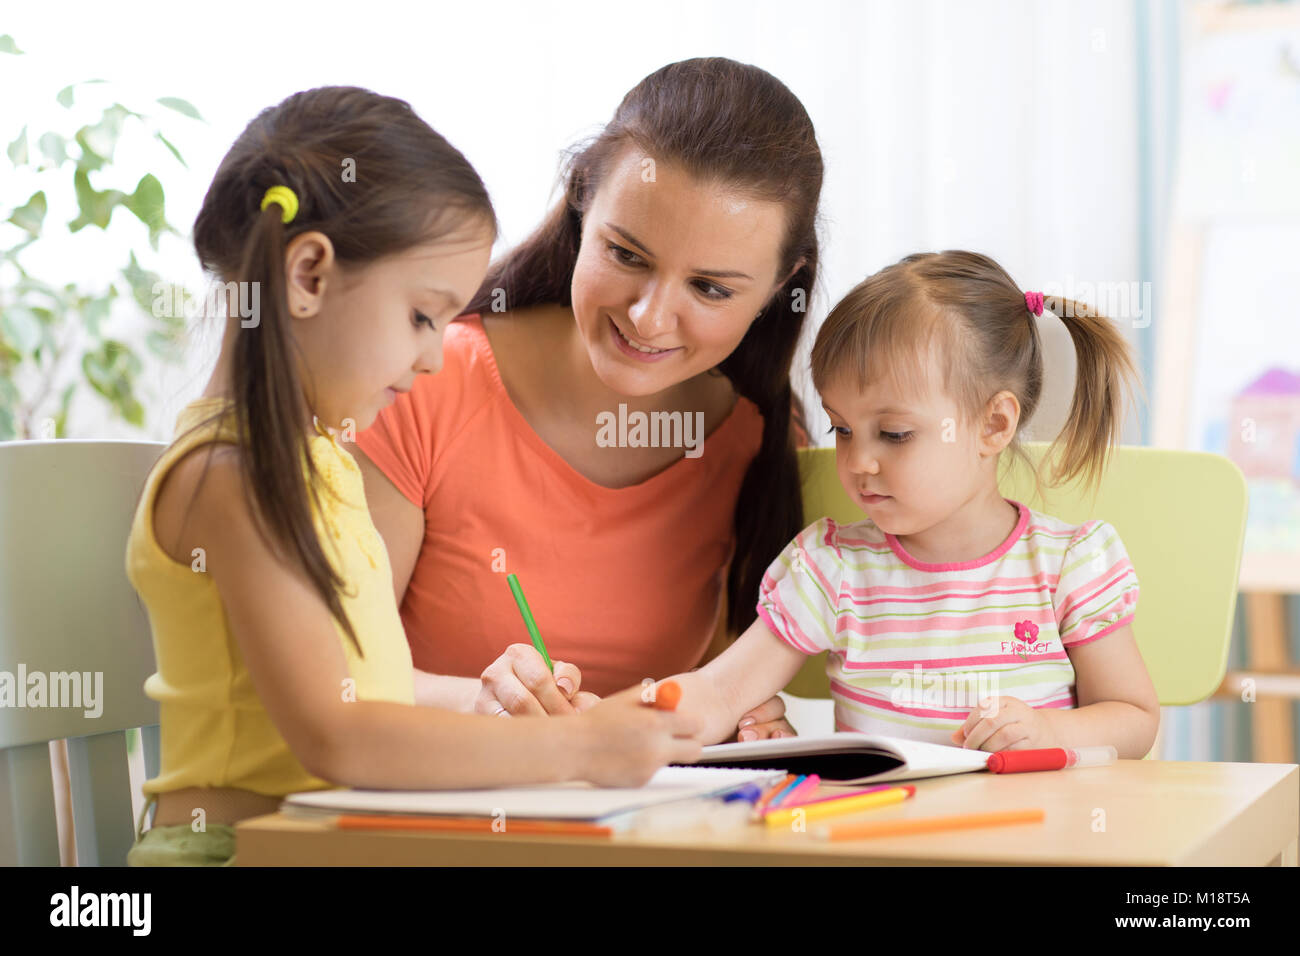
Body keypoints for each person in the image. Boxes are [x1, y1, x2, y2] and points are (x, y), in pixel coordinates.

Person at [125, 87, 699, 866]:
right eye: (424, 317)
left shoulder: (315, 459)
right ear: (307, 276)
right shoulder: (231, 477)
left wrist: (488, 703)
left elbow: (364, 686)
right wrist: (577, 749)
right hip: (231, 852)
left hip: (332, 846)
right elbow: (340, 735)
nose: (434, 357)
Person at [353, 58, 822, 738]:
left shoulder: (753, 439)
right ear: (582, 201)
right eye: (627, 255)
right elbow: (340, 681)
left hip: (643, 837)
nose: (649, 317)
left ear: (781, 286)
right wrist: (479, 707)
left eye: (711, 289)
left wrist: (742, 720)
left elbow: (713, 688)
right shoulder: (421, 381)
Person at [655, 250, 1161, 758]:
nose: (859, 462)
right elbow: (721, 690)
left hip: (1030, 833)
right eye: (843, 429)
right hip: (881, 829)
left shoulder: (1066, 564)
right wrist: (617, 722)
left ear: (994, 425)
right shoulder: (832, 568)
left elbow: (1133, 719)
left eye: (894, 434)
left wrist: (1051, 733)